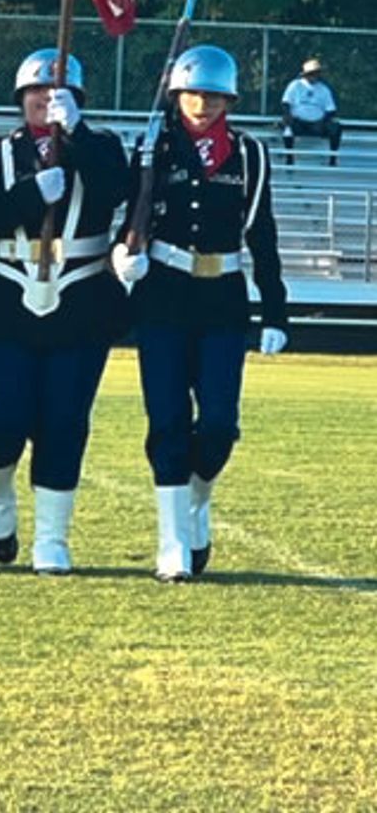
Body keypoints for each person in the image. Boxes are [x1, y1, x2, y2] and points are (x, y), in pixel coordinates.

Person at [112, 44, 288, 582]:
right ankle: (172, 544)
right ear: (176, 94)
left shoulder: (249, 155)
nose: (203, 105)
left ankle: (196, 500)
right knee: (166, 421)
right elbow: (130, 209)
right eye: (194, 94)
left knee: (217, 426)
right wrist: (125, 252)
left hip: (223, 300)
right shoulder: (152, 146)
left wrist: (275, 311)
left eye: (214, 96)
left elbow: (262, 234)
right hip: (162, 295)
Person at [0, 49, 129, 575]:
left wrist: (73, 137)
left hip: (80, 298)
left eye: (57, 92)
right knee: (1, 418)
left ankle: (51, 538)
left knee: (65, 421)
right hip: (8, 297)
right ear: (19, 98)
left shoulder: (101, 147)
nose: (44, 100)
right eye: (35, 91)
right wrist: (31, 194)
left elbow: (115, 191)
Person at [281, 57, 342, 167]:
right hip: (298, 123)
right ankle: (289, 157)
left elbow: (331, 109)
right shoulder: (295, 86)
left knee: (336, 127)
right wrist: (288, 116)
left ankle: (333, 158)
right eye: (312, 73)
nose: (314, 76)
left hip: (317, 124)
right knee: (287, 127)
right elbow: (286, 103)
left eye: (316, 73)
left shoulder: (323, 89)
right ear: (305, 74)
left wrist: (323, 121)